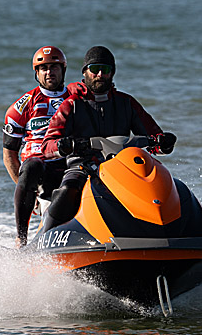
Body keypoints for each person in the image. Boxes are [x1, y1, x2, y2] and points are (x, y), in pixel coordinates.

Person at [40, 45, 177, 229]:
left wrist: (164, 143)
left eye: (105, 70)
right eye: (94, 69)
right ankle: (44, 238)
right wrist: (64, 145)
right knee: (67, 191)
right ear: (85, 72)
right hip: (83, 167)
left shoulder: (126, 103)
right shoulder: (71, 105)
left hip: (124, 167)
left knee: (166, 185)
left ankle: (177, 229)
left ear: (112, 73)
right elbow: (47, 146)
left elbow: (154, 140)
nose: (99, 75)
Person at [2, 46, 77, 246]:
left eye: (54, 67)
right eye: (43, 68)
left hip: (68, 163)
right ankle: (21, 238)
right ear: (36, 73)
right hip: (39, 168)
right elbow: (9, 153)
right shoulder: (22, 105)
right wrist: (26, 185)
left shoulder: (76, 98)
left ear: (63, 70)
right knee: (31, 166)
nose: (49, 72)